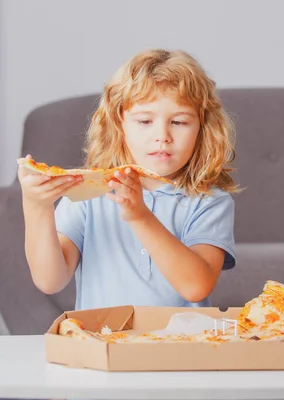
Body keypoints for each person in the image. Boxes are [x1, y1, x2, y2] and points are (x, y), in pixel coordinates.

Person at [18, 49, 238, 310]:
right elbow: (50, 280)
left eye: (179, 122)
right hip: (103, 344)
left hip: (179, 347)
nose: (162, 136)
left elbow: (195, 286)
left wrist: (140, 216)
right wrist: (36, 207)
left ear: (203, 128)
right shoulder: (88, 194)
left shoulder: (210, 202)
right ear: (119, 123)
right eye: (145, 120)